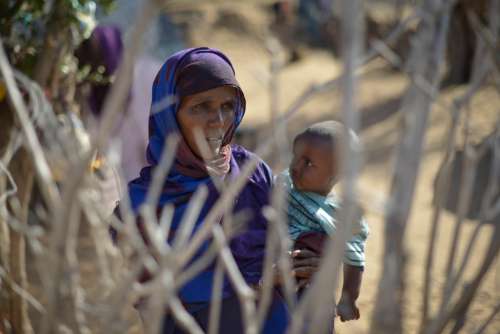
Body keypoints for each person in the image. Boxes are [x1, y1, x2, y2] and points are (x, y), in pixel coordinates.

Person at [114, 47, 292, 333]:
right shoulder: (141, 208)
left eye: (227, 106)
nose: (219, 121)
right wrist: (254, 285)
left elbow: (284, 247)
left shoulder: (254, 175)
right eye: (200, 107)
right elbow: (154, 309)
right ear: (170, 114)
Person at [277, 120, 369, 326]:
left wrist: (348, 298)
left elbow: (354, 260)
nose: (296, 167)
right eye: (296, 157)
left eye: (309, 163)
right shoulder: (283, 182)